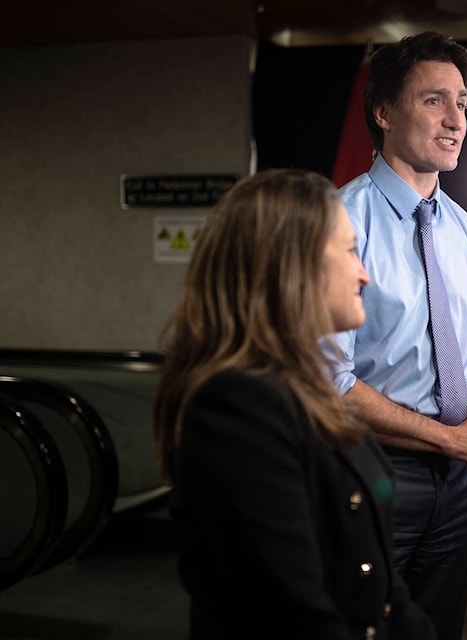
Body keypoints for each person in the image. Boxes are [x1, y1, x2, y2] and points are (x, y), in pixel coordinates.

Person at [152, 168, 437, 639]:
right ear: (293, 264)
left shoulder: (305, 384)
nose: (364, 271)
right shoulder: (237, 406)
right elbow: (294, 612)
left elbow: (379, 584)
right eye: (349, 250)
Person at [329, 31, 467, 640]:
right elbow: (329, 382)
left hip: (458, 479)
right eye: (434, 101)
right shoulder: (336, 220)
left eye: (463, 103)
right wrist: (450, 438)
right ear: (384, 112)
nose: (455, 121)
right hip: (373, 471)